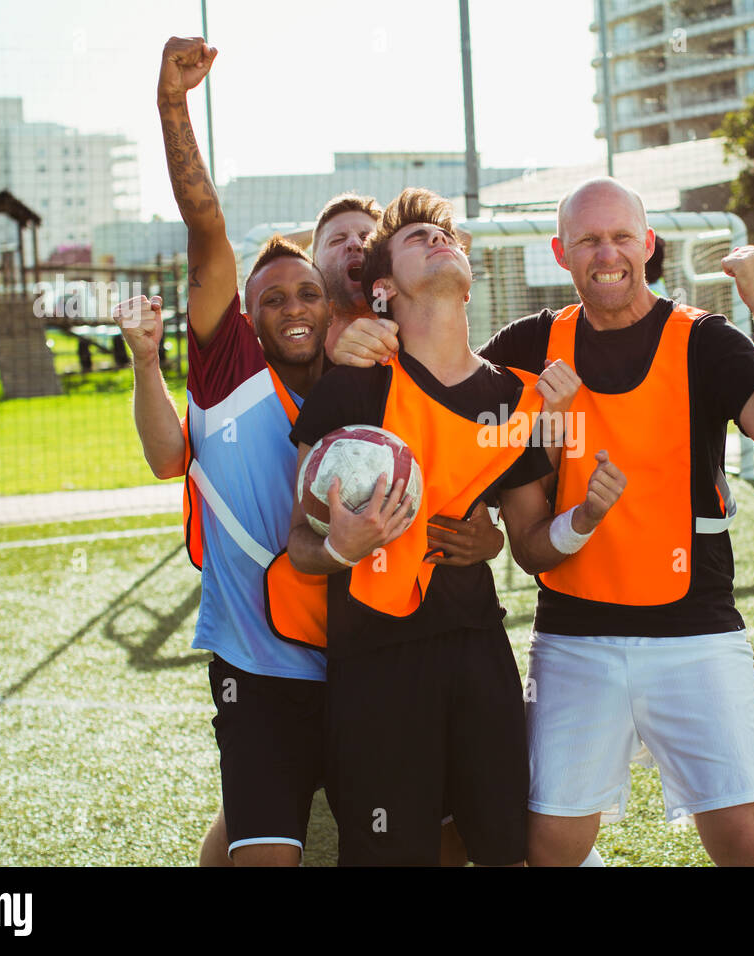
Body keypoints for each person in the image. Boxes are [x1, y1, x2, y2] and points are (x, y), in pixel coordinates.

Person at [331, 177, 754, 866]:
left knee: (745, 840)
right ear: (563, 254)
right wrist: (361, 336)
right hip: (574, 636)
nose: (608, 254)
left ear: (649, 246)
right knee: (545, 846)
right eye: (589, 240)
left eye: (622, 236)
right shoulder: (530, 347)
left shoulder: (704, 341)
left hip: (695, 626)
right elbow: (440, 381)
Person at [118, 37, 501, 866]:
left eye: (311, 290)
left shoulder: (377, 376)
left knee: (426, 832)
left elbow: (469, 475)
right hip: (262, 665)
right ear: (247, 315)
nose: (296, 304)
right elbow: (206, 224)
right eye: (275, 296)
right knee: (267, 837)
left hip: (371, 657)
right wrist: (173, 106)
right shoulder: (232, 367)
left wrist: (486, 538)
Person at [286, 187, 625, 866]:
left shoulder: (516, 396)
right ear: (382, 289)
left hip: (478, 649)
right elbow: (299, 546)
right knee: (389, 852)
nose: (438, 242)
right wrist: (340, 546)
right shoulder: (352, 387)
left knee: (503, 846)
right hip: (374, 660)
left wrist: (580, 517)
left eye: (445, 238)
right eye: (417, 239)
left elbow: (530, 548)